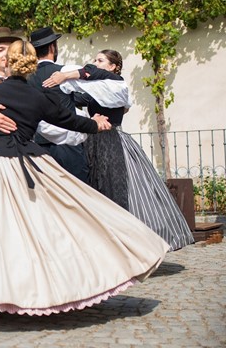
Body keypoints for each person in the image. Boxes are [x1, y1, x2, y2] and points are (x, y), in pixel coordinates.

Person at [0, 40, 169, 320]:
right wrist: (98, 124)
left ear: (8, 63)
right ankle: (44, 286)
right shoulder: (37, 97)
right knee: (50, 224)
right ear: (32, 66)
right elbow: (71, 121)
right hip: (27, 164)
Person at [42, 49, 195, 251]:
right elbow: (80, 95)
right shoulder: (99, 88)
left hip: (111, 141)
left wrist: (66, 74)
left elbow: (93, 77)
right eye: (94, 59)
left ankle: (133, 243)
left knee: (117, 187)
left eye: (100, 60)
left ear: (113, 66)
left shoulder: (116, 85)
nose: (95, 63)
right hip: (92, 140)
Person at [25, 26, 91, 183]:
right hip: (67, 147)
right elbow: (92, 91)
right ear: (52, 47)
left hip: (38, 146)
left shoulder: (25, 79)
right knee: (78, 193)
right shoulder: (63, 73)